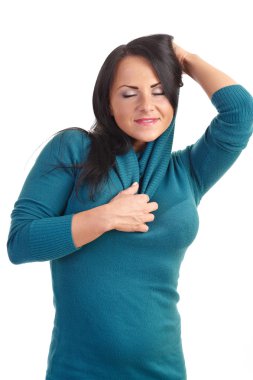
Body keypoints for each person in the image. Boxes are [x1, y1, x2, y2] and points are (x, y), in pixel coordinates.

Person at [7, 34, 253, 380]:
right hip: (79, 371)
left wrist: (183, 59)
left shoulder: (188, 172)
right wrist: (104, 217)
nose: (147, 105)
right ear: (108, 103)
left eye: (158, 90)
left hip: (163, 370)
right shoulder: (74, 150)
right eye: (128, 93)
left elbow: (241, 112)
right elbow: (20, 242)